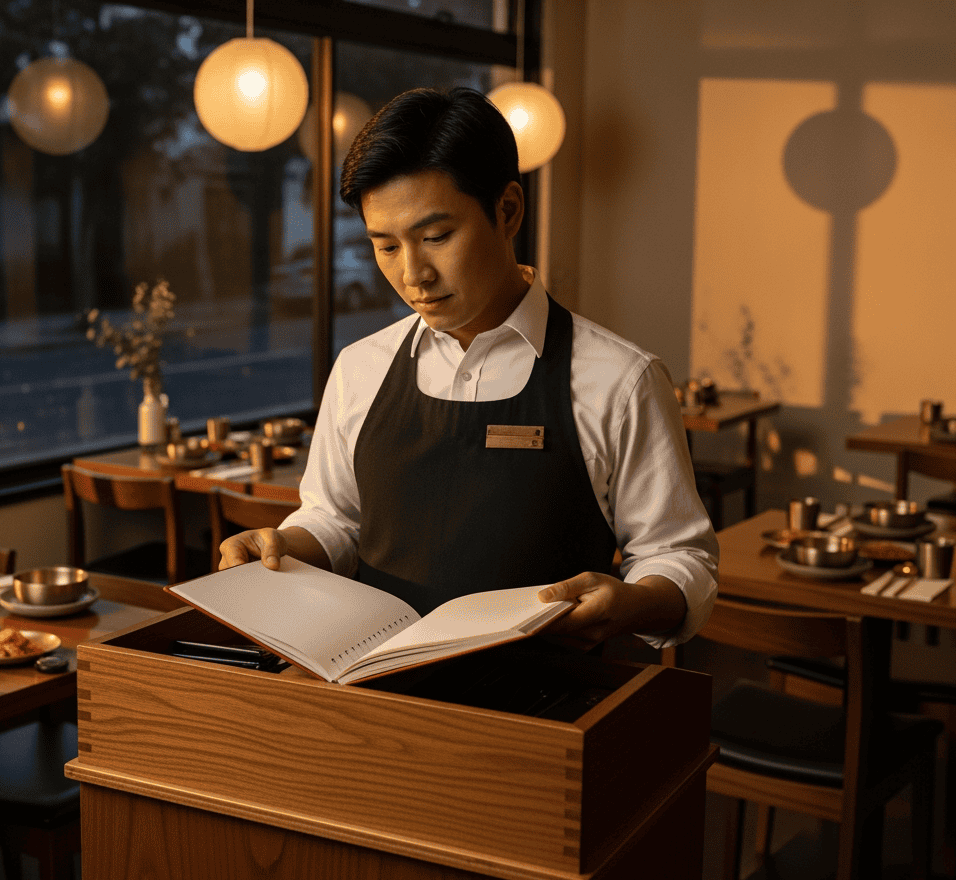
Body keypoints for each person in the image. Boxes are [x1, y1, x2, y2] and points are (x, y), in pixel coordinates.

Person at [220, 86, 717, 648]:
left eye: (436, 237)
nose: (414, 275)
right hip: (379, 691)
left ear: (507, 211)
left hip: (546, 703)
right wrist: (282, 548)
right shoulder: (361, 368)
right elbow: (336, 521)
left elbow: (679, 554)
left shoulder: (620, 380)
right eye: (385, 247)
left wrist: (639, 601)